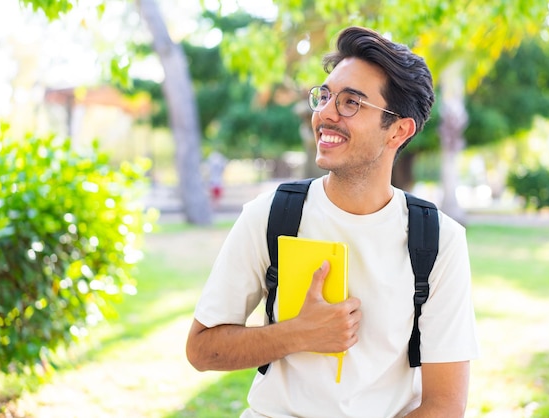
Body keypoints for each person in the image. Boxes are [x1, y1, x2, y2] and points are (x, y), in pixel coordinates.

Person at [186, 26, 479, 417]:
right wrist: (298, 332)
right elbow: (202, 349)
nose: (325, 114)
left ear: (399, 129)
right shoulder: (271, 214)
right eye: (324, 97)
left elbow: (444, 404)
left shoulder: (439, 240)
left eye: (351, 103)